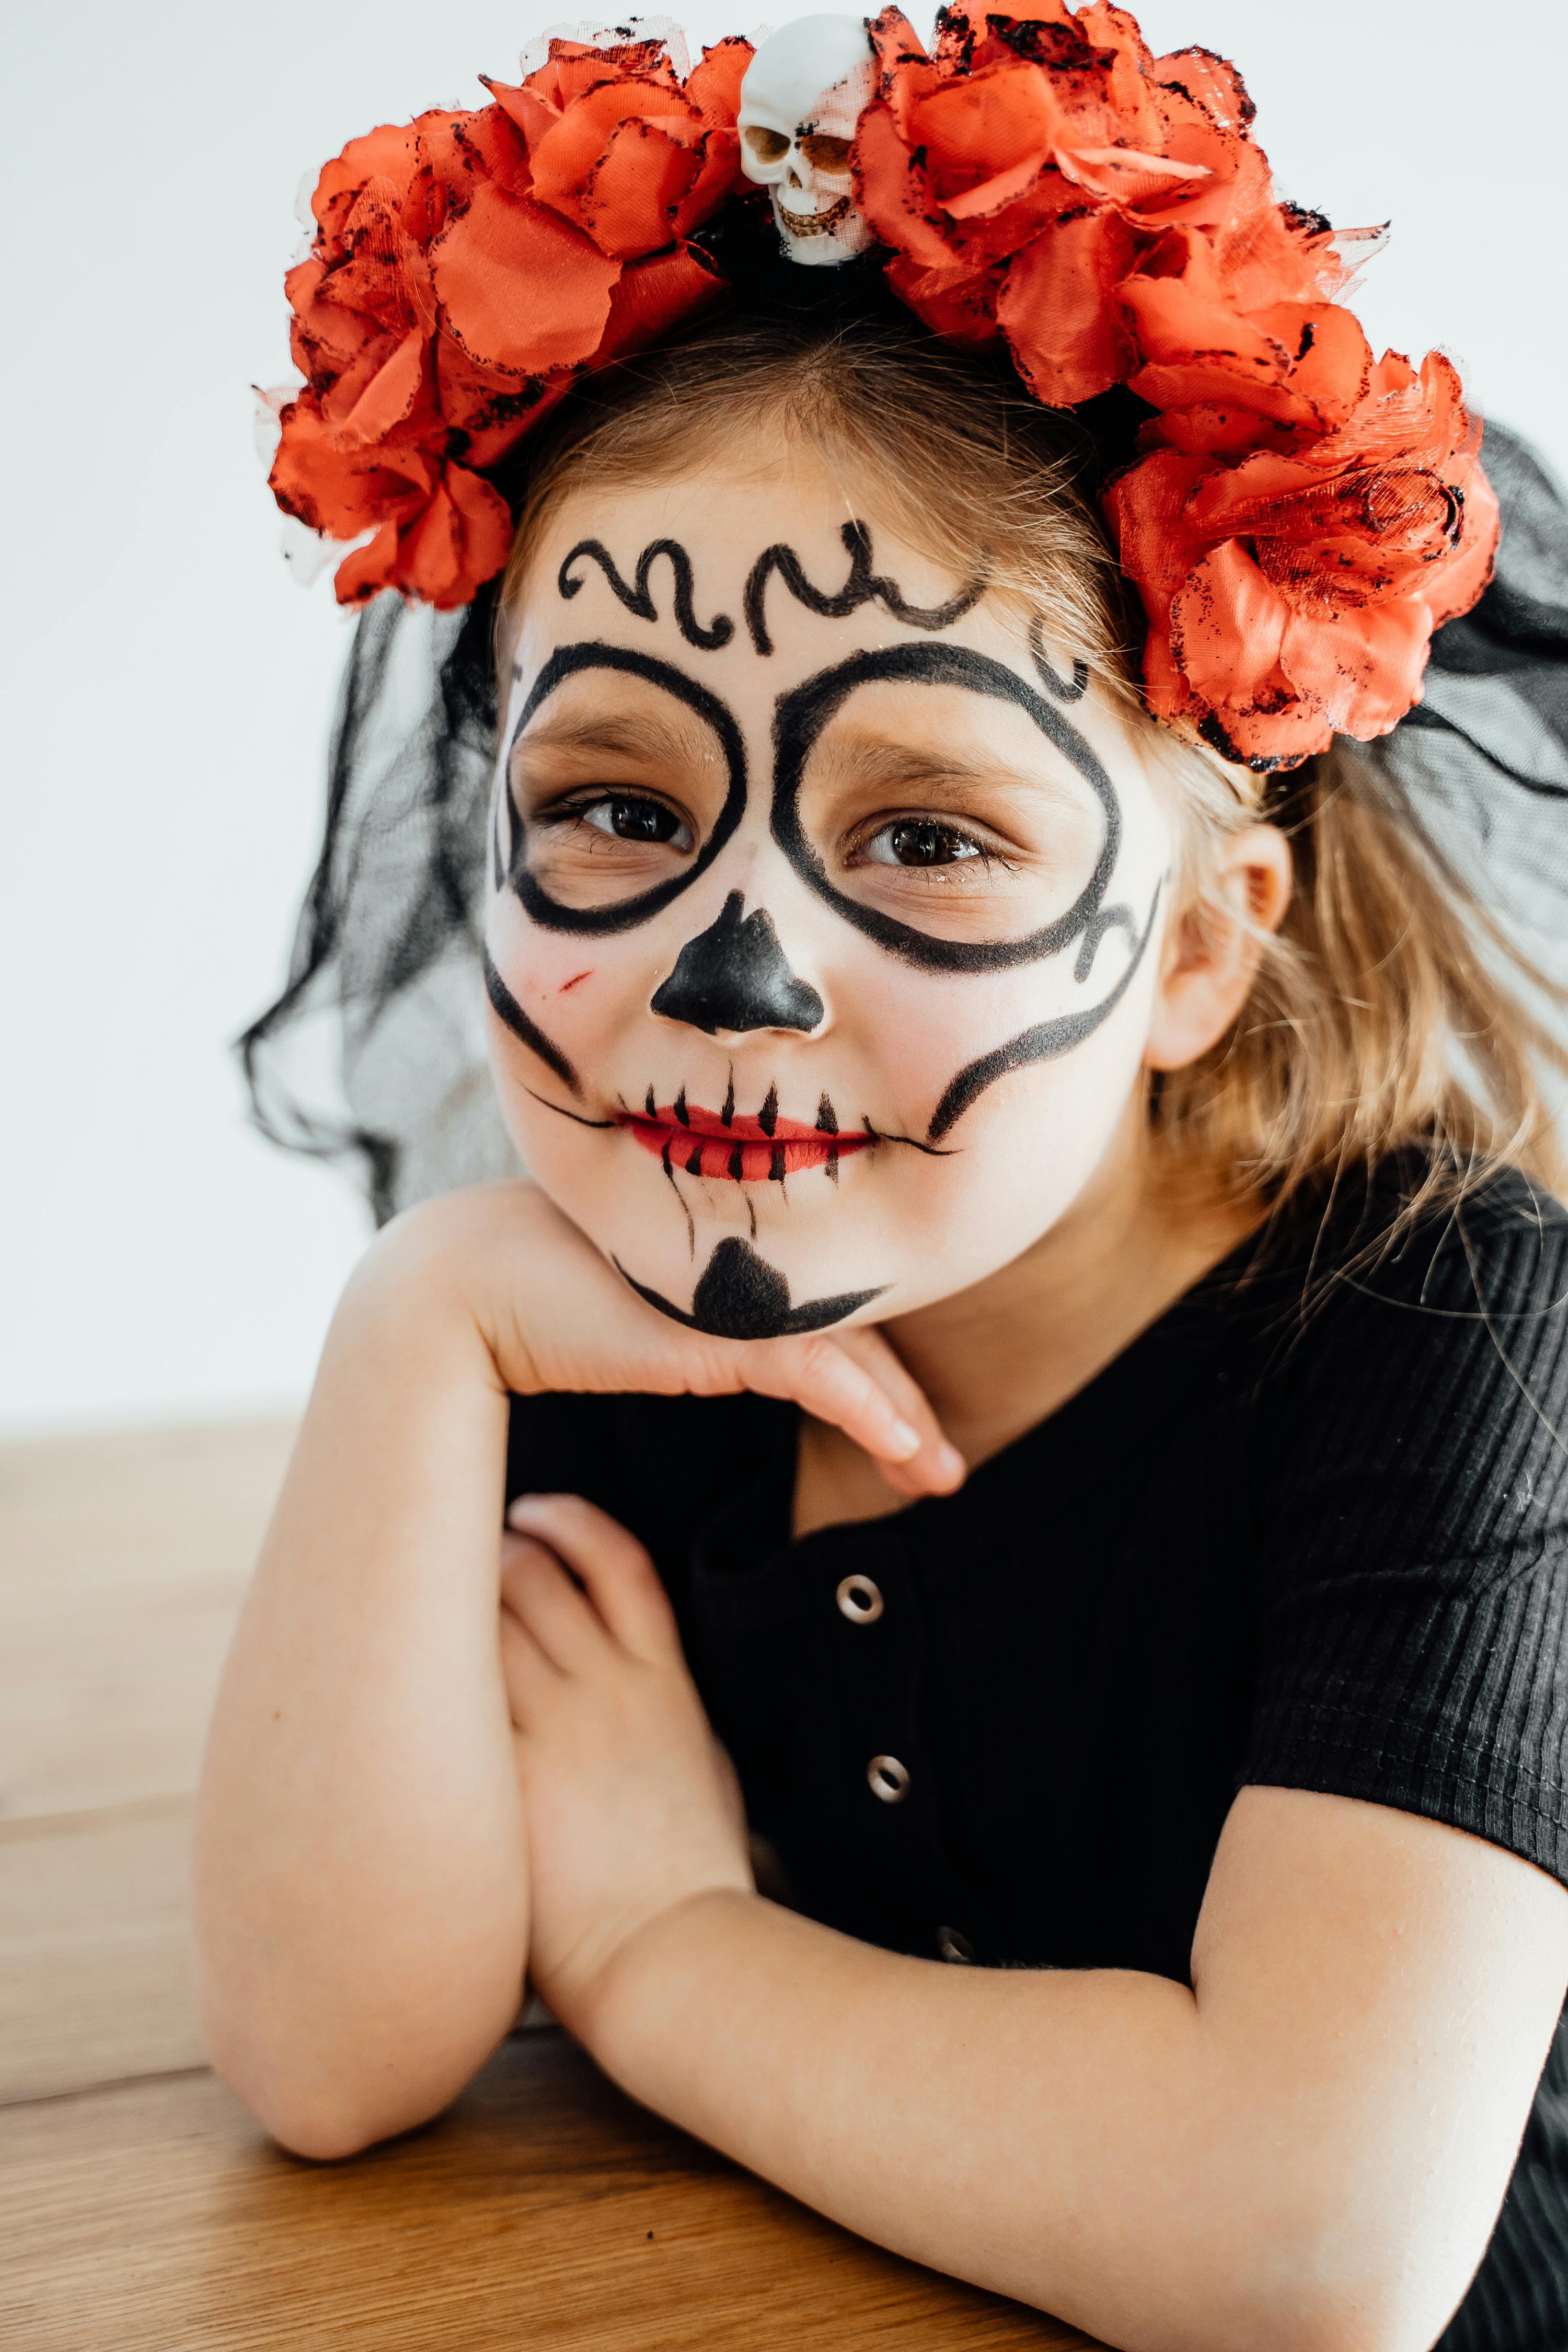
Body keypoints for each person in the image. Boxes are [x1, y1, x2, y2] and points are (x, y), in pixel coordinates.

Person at [196, 11, 1568, 2346]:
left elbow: (1305, 2245)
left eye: (927, 837)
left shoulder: (1445, 1334)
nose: (735, 974)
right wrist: (418, 1326)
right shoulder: (599, 1320)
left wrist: (661, 1949)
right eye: (618, 806)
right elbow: (330, 2063)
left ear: (1199, 951)